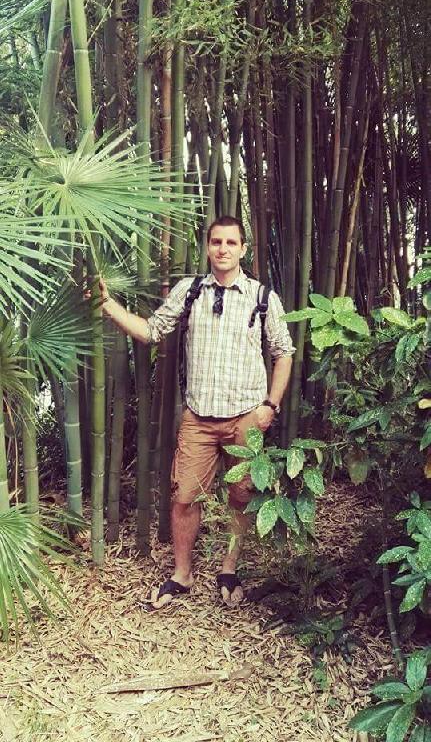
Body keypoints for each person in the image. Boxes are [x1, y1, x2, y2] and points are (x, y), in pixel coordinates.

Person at [99, 216, 295, 608]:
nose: (223, 249)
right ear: (207, 247)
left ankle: (229, 568)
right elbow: (151, 331)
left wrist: (270, 406)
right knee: (184, 497)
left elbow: (283, 352)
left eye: (231, 242)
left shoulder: (262, 297)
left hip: (246, 415)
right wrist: (107, 304)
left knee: (242, 494)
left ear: (243, 249)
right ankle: (182, 574)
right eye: (216, 242)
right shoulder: (190, 292)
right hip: (199, 417)